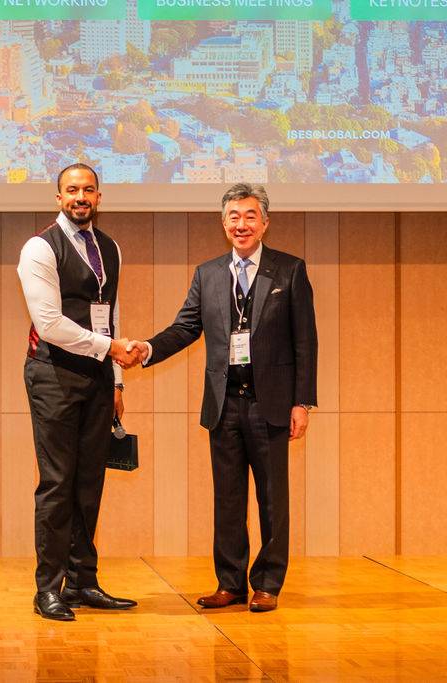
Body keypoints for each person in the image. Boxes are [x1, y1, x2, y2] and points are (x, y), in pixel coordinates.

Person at [128, 183, 317, 613]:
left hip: (271, 404)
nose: (241, 224)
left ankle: (267, 583)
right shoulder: (208, 273)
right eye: (234, 216)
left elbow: (306, 341)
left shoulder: (289, 270)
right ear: (223, 223)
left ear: (265, 223)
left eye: (250, 216)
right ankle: (229, 583)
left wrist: (302, 402)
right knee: (227, 499)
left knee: (273, 499)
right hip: (224, 404)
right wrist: (148, 349)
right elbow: (185, 327)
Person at [17, 163, 141, 621]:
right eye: (72, 190)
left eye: (88, 189)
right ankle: (47, 589)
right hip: (52, 374)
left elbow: (111, 312)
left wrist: (117, 378)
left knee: (90, 483)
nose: (80, 197)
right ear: (58, 198)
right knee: (57, 483)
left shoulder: (110, 247)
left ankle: (83, 582)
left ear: (99, 197)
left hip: (98, 377)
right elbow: (49, 324)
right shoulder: (39, 248)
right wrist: (110, 349)